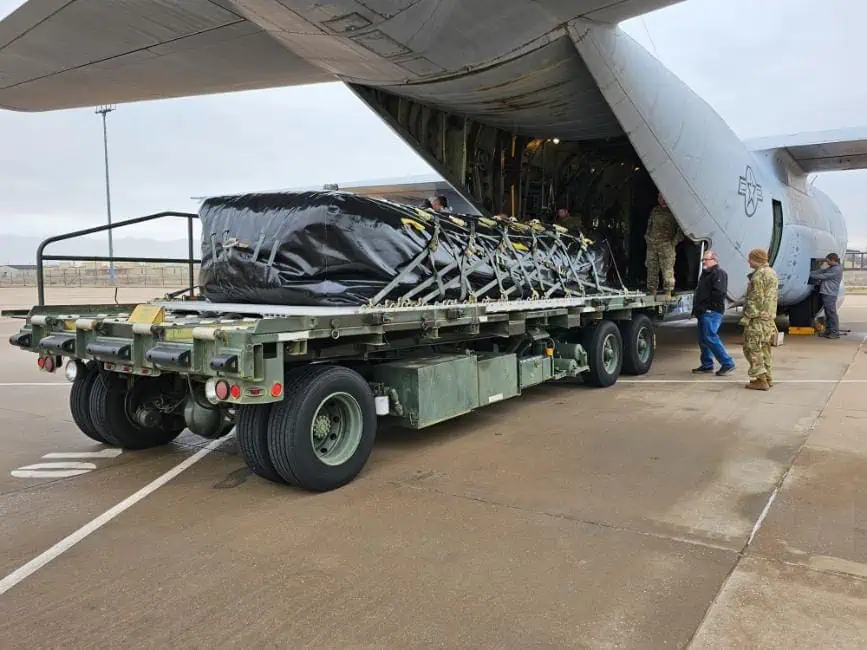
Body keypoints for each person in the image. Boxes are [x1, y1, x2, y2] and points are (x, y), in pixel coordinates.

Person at [691, 250, 735, 376]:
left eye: (706, 259)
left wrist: (707, 307)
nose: (704, 261)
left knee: (710, 337)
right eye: (703, 260)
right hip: (704, 312)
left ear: (714, 260)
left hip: (711, 312)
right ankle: (707, 365)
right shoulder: (705, 274)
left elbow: (719, 293)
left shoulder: (718, 273)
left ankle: (727, 363)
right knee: (703, 339)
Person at [740, 248, 779, 391]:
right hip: (768, 318)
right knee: (765, 348)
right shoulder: (772, 273)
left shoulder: (758, 276)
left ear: (756, 259)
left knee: (752, 348)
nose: (748, 261)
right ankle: (768, 377)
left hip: (757, 319)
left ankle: (760, 380)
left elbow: (754, 299)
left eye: (750, 258)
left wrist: (747, 316)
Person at [645, 193, 683, 299]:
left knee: (667, 270)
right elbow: (649, 225)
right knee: (652, 268)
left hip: (666, 246)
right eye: (659, 198)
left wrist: (673, 242)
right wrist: (647, 237)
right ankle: (652, 291)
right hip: (652, 245)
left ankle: (668, 292)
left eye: (663, 197)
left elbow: (681, 230)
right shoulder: (655, 210)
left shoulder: (673, 211)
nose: (661, 200)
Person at [809, 253, 843, 338]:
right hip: (826, 293)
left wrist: (808, 275)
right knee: (827, 313)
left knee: (831, 313)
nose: (827, 263)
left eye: (828, 261)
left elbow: (824, 276)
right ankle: (828, 331)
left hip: (830, 294)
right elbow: (821, 271)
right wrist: (809, 272)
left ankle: (835, 332)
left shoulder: (836, 269)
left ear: (832, 260)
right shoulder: (832, 268)